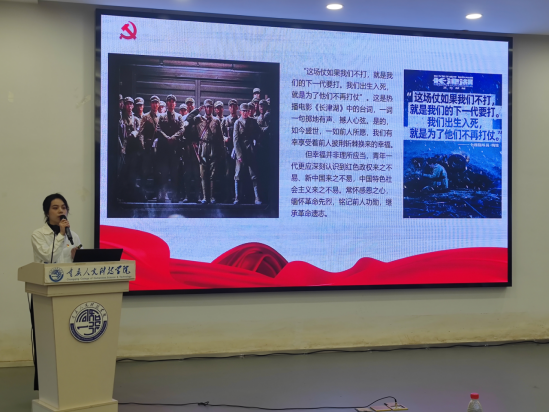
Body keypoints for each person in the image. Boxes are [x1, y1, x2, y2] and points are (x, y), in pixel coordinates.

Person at [31, 194, 81, 390]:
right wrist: (60, 235)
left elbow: (75, 264)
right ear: (47, 212)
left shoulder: (73, 235)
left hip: (69, 291)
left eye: (64, 207)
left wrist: (78, 257)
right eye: (55, 207)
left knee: (69, 338)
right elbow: (48, 257)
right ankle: (48, 385)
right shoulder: (38, 234)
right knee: (48, 341)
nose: (61, 210)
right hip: (46, 292)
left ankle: (70, 379)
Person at [156, 94, 185, 203]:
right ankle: (162, 195)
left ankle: (174, 196)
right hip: (164, 150)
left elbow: (182, 129)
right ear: (167, 103)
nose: (171, 103)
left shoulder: (179, 117)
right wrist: (166, 137)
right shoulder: (162, 116)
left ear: (175, 104)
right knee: (163, 174)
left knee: (174, 174)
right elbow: (158, 129)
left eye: (173, 102)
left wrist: (173, 137)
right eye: (169, 101)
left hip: (175, 150)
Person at [195, 99, 224, 204]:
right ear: (204, 108)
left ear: (212, 108)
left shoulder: (216, 121)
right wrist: (197, 110)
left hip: (213, 147)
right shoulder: (199, 119)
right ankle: (204, 197)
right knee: (203, 174)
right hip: (202, 147)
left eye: (210, 107)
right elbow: (188, 118)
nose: (208, 109)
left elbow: (220, 138)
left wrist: (221, 151)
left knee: (213, 174)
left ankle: (212, 197)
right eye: (206, 107)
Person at [234, 103, 263, 205]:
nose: (245, 113)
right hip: (241, 151)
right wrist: (239, 155)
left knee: (254, 175)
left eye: (247, 111)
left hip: (250, 151)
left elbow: (259, 133)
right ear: (240, 112)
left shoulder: (253, 121)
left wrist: (255, 140)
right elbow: (236, 140)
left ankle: (257, 198)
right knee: (238, 175)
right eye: (244, 111)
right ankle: (237, 197)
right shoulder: (237, 123)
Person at [118, 97, 143, 201]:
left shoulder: (136, 119)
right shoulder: (121, 118)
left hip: (133, 148)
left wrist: (135, 133)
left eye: (130, 104)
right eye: (127, 104)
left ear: (133, 106)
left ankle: (131, 196)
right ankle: (122, 195)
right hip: (124, 148)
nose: (129, 106)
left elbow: (140, 129)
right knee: (123, 171)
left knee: (133, 172)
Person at [137, 95, 161, 198]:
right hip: (147, 148)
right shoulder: (145, 117)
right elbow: (141, 132)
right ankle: (143, 194)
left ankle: (157, 194)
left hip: (158, 149)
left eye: (156, 103)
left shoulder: (161, 117)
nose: (155, 105)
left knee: (157, 172)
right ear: (150, 104)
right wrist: (143, 145)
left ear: (158, 104)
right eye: (153, 103)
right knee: (145, 172)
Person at [221, 99, 239, 203]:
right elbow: (220, 134)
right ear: (229, 108)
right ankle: (228, 196)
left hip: (238, 150)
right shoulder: (225, 120)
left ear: (237, 107)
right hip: (228, 150)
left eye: (234, 106)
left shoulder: (239, 120)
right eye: (231, 106)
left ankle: (238, 196)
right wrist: (225, 138)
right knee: (228, 174)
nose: (232, 108)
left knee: (238, 174)